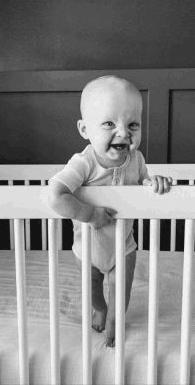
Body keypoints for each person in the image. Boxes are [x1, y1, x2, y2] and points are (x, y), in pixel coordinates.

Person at [48, 75, 172, 347]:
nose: (123, 132)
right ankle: (100, 309)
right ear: (84, 129)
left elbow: (143, 183)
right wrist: (90, 214)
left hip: (123, 247)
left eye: (133, 125)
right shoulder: (83, 163)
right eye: (109, 124)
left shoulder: (136, 159)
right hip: (87, 249)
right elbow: (55, 195)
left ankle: (115, 322)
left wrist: (154, 183)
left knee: (121, 294)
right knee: (93, 291)